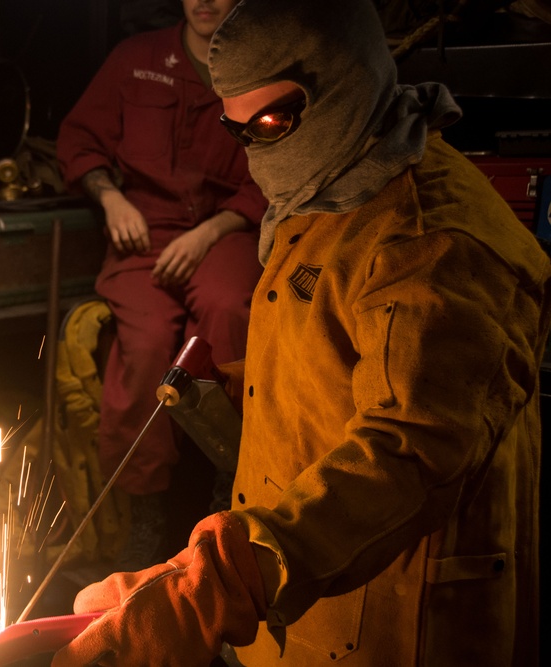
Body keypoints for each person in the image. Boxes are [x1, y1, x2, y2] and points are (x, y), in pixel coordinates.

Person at [52, 0, 548, 665]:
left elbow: (408, 454)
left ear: (341, 76)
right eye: (240, 132)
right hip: (303, 615)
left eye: (272, 121)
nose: (258, 148)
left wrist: (222, 582)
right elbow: (340, 353)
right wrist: (236, 390)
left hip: (402, 629)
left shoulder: (435, 245)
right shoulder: (329, 191)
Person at [56, 0, 267, 568]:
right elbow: (79, 140)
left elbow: (276, 164)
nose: (205, 1)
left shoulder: (261, 65)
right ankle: (145, 515)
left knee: (228, 310)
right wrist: (110, 196)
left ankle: (232, 488)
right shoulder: (137, 59)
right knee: (146, 342)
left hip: (224, 229)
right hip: (143, 231)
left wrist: (213, 231)